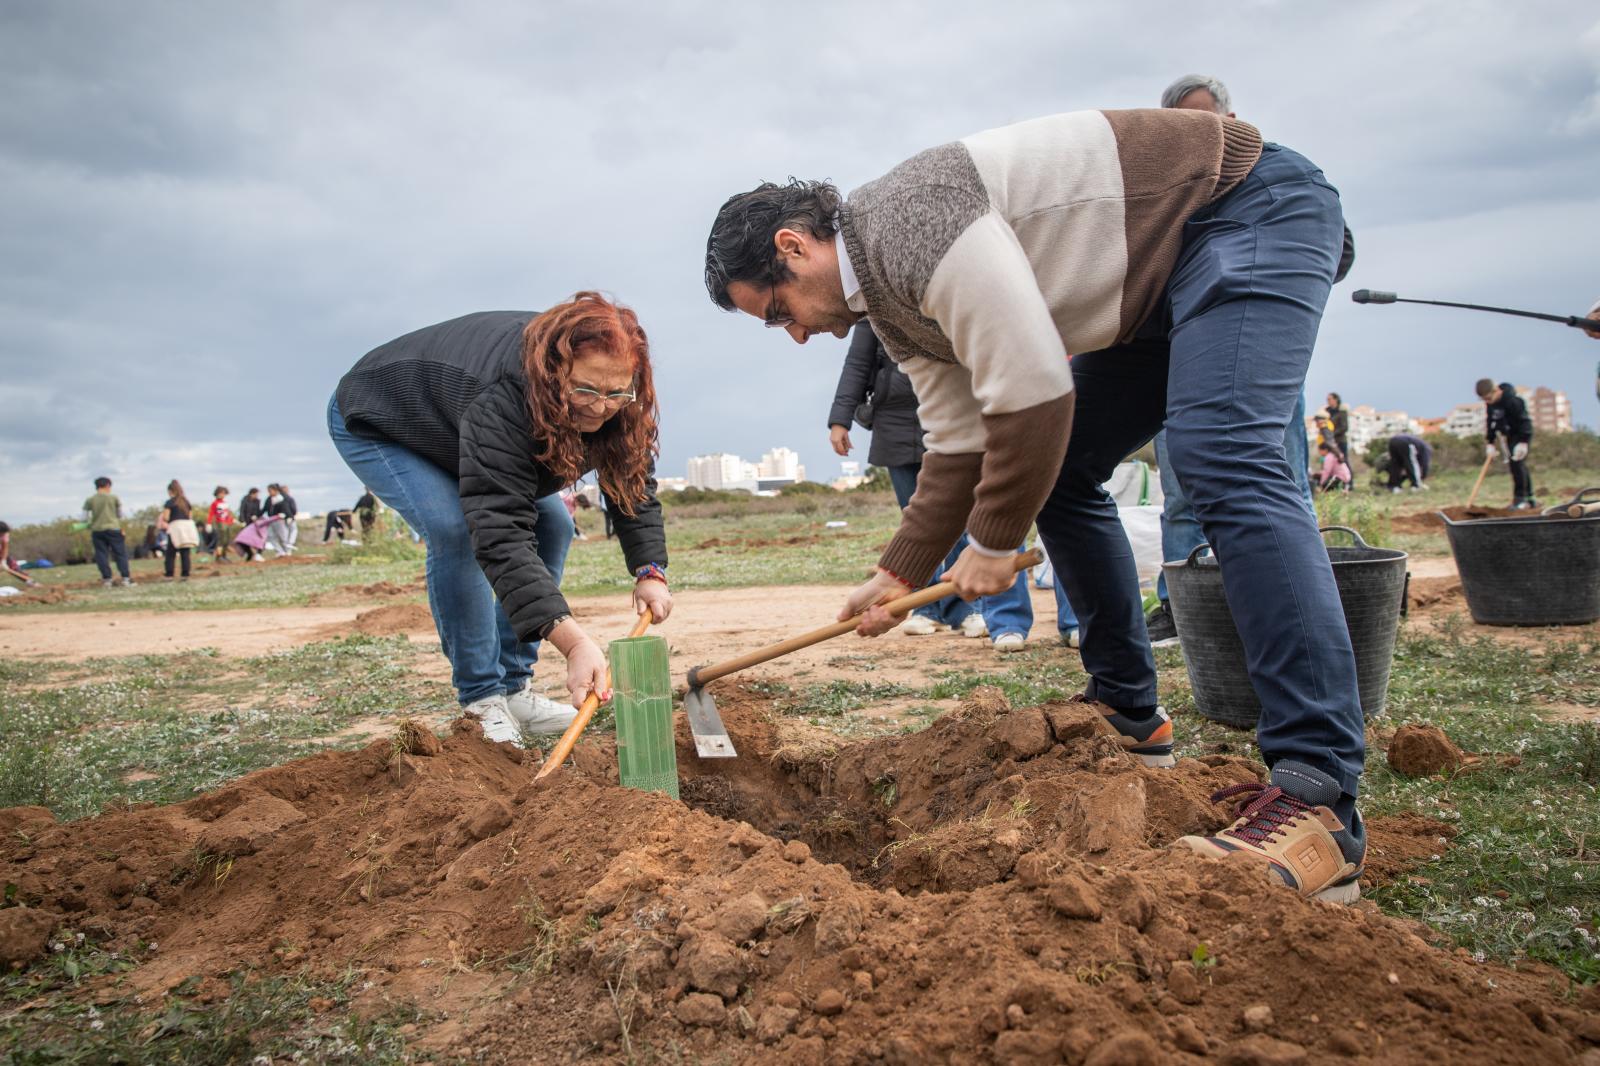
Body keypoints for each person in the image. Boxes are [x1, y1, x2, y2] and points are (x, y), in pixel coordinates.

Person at [706, 103, 1365, 902]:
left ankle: (1317, 793)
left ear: (793, 246)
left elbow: (1035, 391)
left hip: (1242, 208)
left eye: (778, 311)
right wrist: (896, 572)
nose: (797, 335)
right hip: (1157, 287)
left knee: (1224, 455)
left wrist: (992, 541)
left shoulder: (905, 225)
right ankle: (1128, 711)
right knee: (1066, 468)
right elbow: (958, 442)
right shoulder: (889, 301)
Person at [328, 292, 671, 746]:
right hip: (386, 421)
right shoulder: (504, 395)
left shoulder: (619, 396)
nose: (599, 406)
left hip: (457, 424)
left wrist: (650, 569)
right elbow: (499, 531)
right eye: (584, 389)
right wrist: (572, 642)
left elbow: (631, 482)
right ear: (554, 374)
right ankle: (482, 698)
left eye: (615, 393)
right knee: (457, 530)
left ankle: (514, 689)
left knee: (554, 525)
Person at [1142, 74, 1353, 649]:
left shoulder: (1274, 178)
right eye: (1184, 124)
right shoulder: (1172, 195)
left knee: (1274, 479)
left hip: (1263, 363)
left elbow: (1336, 249)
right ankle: (1183, 608)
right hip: (1187, 359)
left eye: (1208, 119)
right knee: (1187, 485)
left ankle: (1292, 608)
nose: (1200, 133)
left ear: (1232, 122)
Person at [828, 320, 1038, 651]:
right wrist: (839, 419)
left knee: (952, 518)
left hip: (947, 414)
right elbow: (857, 363)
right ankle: (925, 607)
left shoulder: (935, 297)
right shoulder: (870, 312)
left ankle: (965, 608)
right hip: (894, 424)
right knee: (916, 521)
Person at [1476, 378, 1535, 509]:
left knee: (1518, 465)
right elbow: (1490, 422)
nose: (1487, 402)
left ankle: (1521, 499)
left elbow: (1525, 422)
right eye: (1484, 400)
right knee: (1517, 466)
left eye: (1488, 398)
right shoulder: (1491, 404)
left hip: (1520, 435)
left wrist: (1523, 442)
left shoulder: (1514, 401)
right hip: (1508, 435)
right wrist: (1490, 442)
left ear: (1496, 390)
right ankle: (1529, 498)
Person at [83, 476, 133, 587]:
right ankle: (125, 578)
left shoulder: (90, 500)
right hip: (113, 529)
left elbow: (84, 518)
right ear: (108, 486)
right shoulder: (114, 498)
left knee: (101, 554)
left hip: (97, 530)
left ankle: (107, 580)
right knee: (120, 554)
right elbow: (119, 514)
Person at [159, 480, 200, 581]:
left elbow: (166, 517)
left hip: (175, 527)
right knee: (185, 552)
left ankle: (169, 574)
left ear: (170, 491)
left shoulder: (170, 502)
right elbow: (190, 516)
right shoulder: (186, 502)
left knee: (170, 553)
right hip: (187, 527)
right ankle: (185, 574)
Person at [0, 522, 39, 586]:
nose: (2, 535)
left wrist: (3, 561)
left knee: (13, 566)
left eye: (3, 533)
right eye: (1, 534)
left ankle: (30, 582)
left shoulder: (5, 533)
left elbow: (5, 547)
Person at [263, 484, 294, 556]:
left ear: (275, 490)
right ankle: (280, 551)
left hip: (280, 520)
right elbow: (264, 509)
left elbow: (286, 509)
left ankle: (287, 551)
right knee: (270, 536)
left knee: (283, 537)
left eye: (270, 491)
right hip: (271, 520)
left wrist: (289, 517)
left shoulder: (281, 498)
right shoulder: (269, 499)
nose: (269, 492)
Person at [206, 486, 235, 561]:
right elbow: (211, 514)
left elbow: (228, 513)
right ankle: (219, 556)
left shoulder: (225, 503)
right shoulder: (215, 503)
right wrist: (208, 523)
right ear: (217, 494)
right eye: (220, 493)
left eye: (224, 493)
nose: (222, 495)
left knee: (227, 540)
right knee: (221, 540)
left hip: (227, 522)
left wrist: (233, 520)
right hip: (220, 523)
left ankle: (224, 555)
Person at [236, 488, 264, 561]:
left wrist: (257, 516)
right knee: (243, 540)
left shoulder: (257, 501)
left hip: (254, 524)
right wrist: (242, 521)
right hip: (246, 523)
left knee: (259, 538)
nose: (257, 496)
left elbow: (258, 511)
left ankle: (258, 554)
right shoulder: (244, 500)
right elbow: (242, 511)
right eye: (256, 494)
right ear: (252, 493)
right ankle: (249, 553)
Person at [1325, 392, 1350, 460]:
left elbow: (1344, 427)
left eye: (1329, 399)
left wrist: (1332, 433)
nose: (1328, 401)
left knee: (1343, 461)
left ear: (1336, 399)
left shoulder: (1342, 411)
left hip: (1340, 441)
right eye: (1327, 399)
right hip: (1330, 442)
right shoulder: (1327, 411)